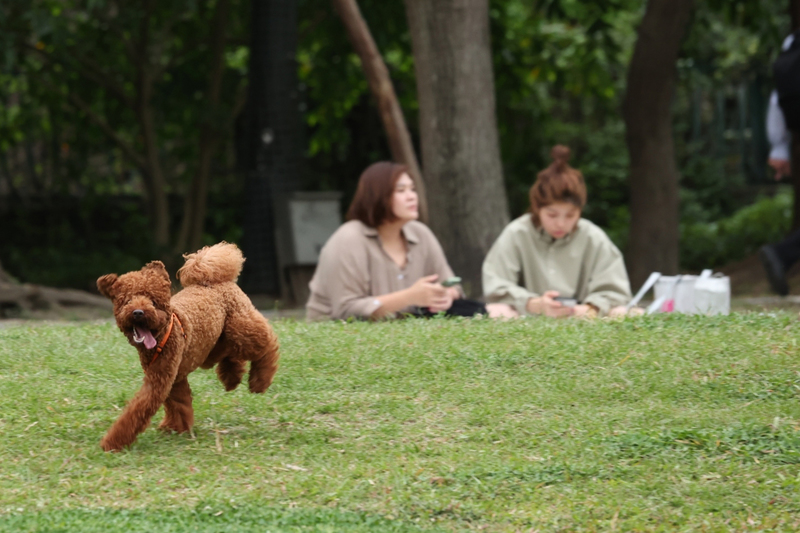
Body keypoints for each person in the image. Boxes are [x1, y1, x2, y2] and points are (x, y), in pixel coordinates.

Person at [306, 162, 482, 320]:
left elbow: (453, 286)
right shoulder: (349, 239)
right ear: (378, 196)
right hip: (342, 337)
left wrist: (446, 295)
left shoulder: (421, 233)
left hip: (401, 330)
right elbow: (346, 311)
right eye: (401, 190)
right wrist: (410, 297)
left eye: (412, 189)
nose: (412, 196)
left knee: (489, 310)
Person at [482, 145, 633, 319]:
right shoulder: (517, 233)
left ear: (580, 211)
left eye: (570, 215)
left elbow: (615, 291)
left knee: (625, 313)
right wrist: (533, 303)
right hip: (527, 318)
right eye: (552, 215)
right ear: (537, 208)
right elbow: (496, 285)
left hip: (583, 319)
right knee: (495, 310)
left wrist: (590, 308)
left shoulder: (592, 237)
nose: (561, 223)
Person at [759, 31, 799, 296]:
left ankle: (782, 254)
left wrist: (779, 145)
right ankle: (782, 253)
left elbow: (778, 98)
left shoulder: (791, 46)